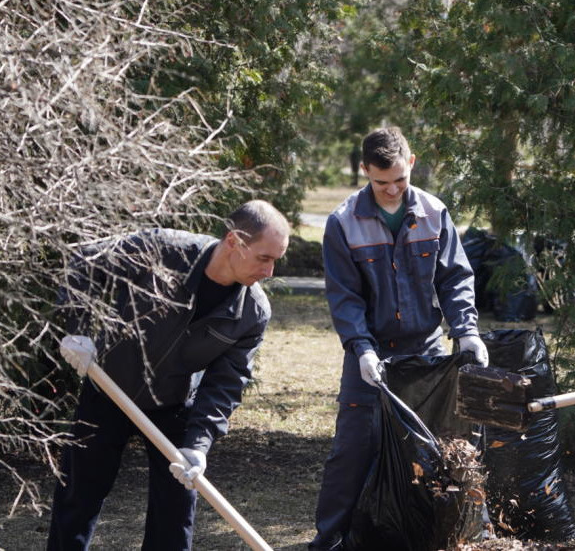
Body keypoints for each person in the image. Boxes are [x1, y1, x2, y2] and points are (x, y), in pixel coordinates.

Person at [47, 200, 290, 551]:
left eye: (275, 260)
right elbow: (86, 260)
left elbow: (227, 382)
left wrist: (198, 446)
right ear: (234, 241)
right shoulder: (164, 251)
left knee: (175, 511)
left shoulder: (251, 312)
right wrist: (77, 328)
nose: (269, 272)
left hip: (174, 402)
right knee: (78, 495)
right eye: (264, 258)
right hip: (109, 387)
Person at [310, 126, 488, 550]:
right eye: (380, 182)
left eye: (399, 180)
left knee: (433, 446)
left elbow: (455, 278)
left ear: (411, 163)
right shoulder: (343, 222)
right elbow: (345, 296)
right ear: (365, 171)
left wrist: (465, 331)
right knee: (353, 448)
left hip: (425, 348)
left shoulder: (433, 212)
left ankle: (429, 533)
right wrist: (362, 349)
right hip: (370, 352)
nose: (391, 191)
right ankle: (331, 538)